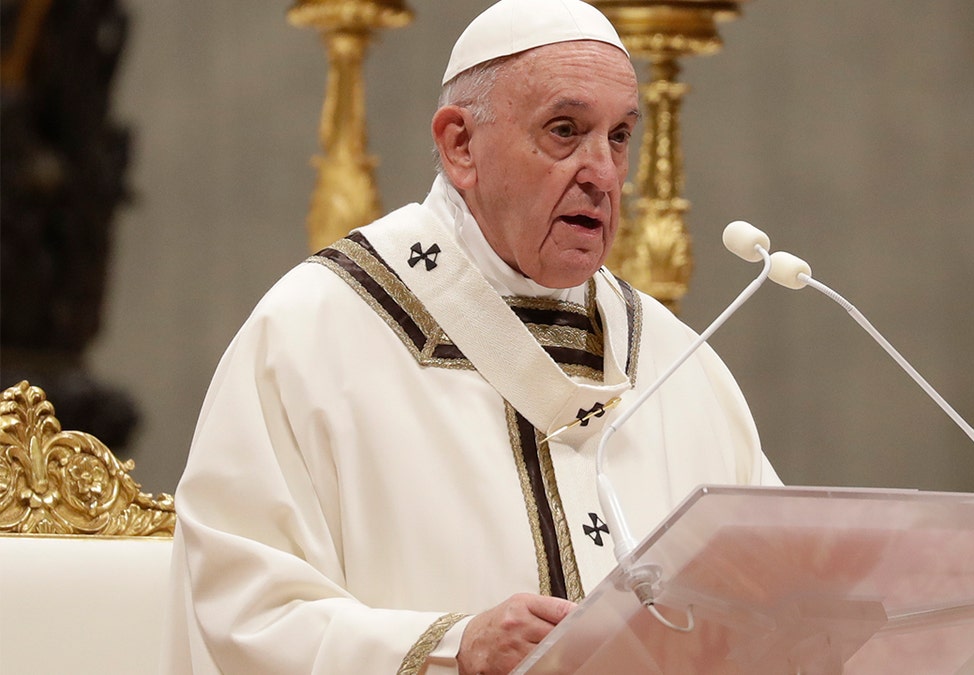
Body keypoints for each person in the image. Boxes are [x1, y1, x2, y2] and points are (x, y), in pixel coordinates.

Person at [163, 1, 780, 673]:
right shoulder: (313, 335)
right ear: (460, 145)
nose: (602, 172)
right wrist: (453, 644)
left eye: (619, 136)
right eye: (565, 131)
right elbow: (239, 612)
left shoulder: (679, 363)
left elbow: (784, 600)